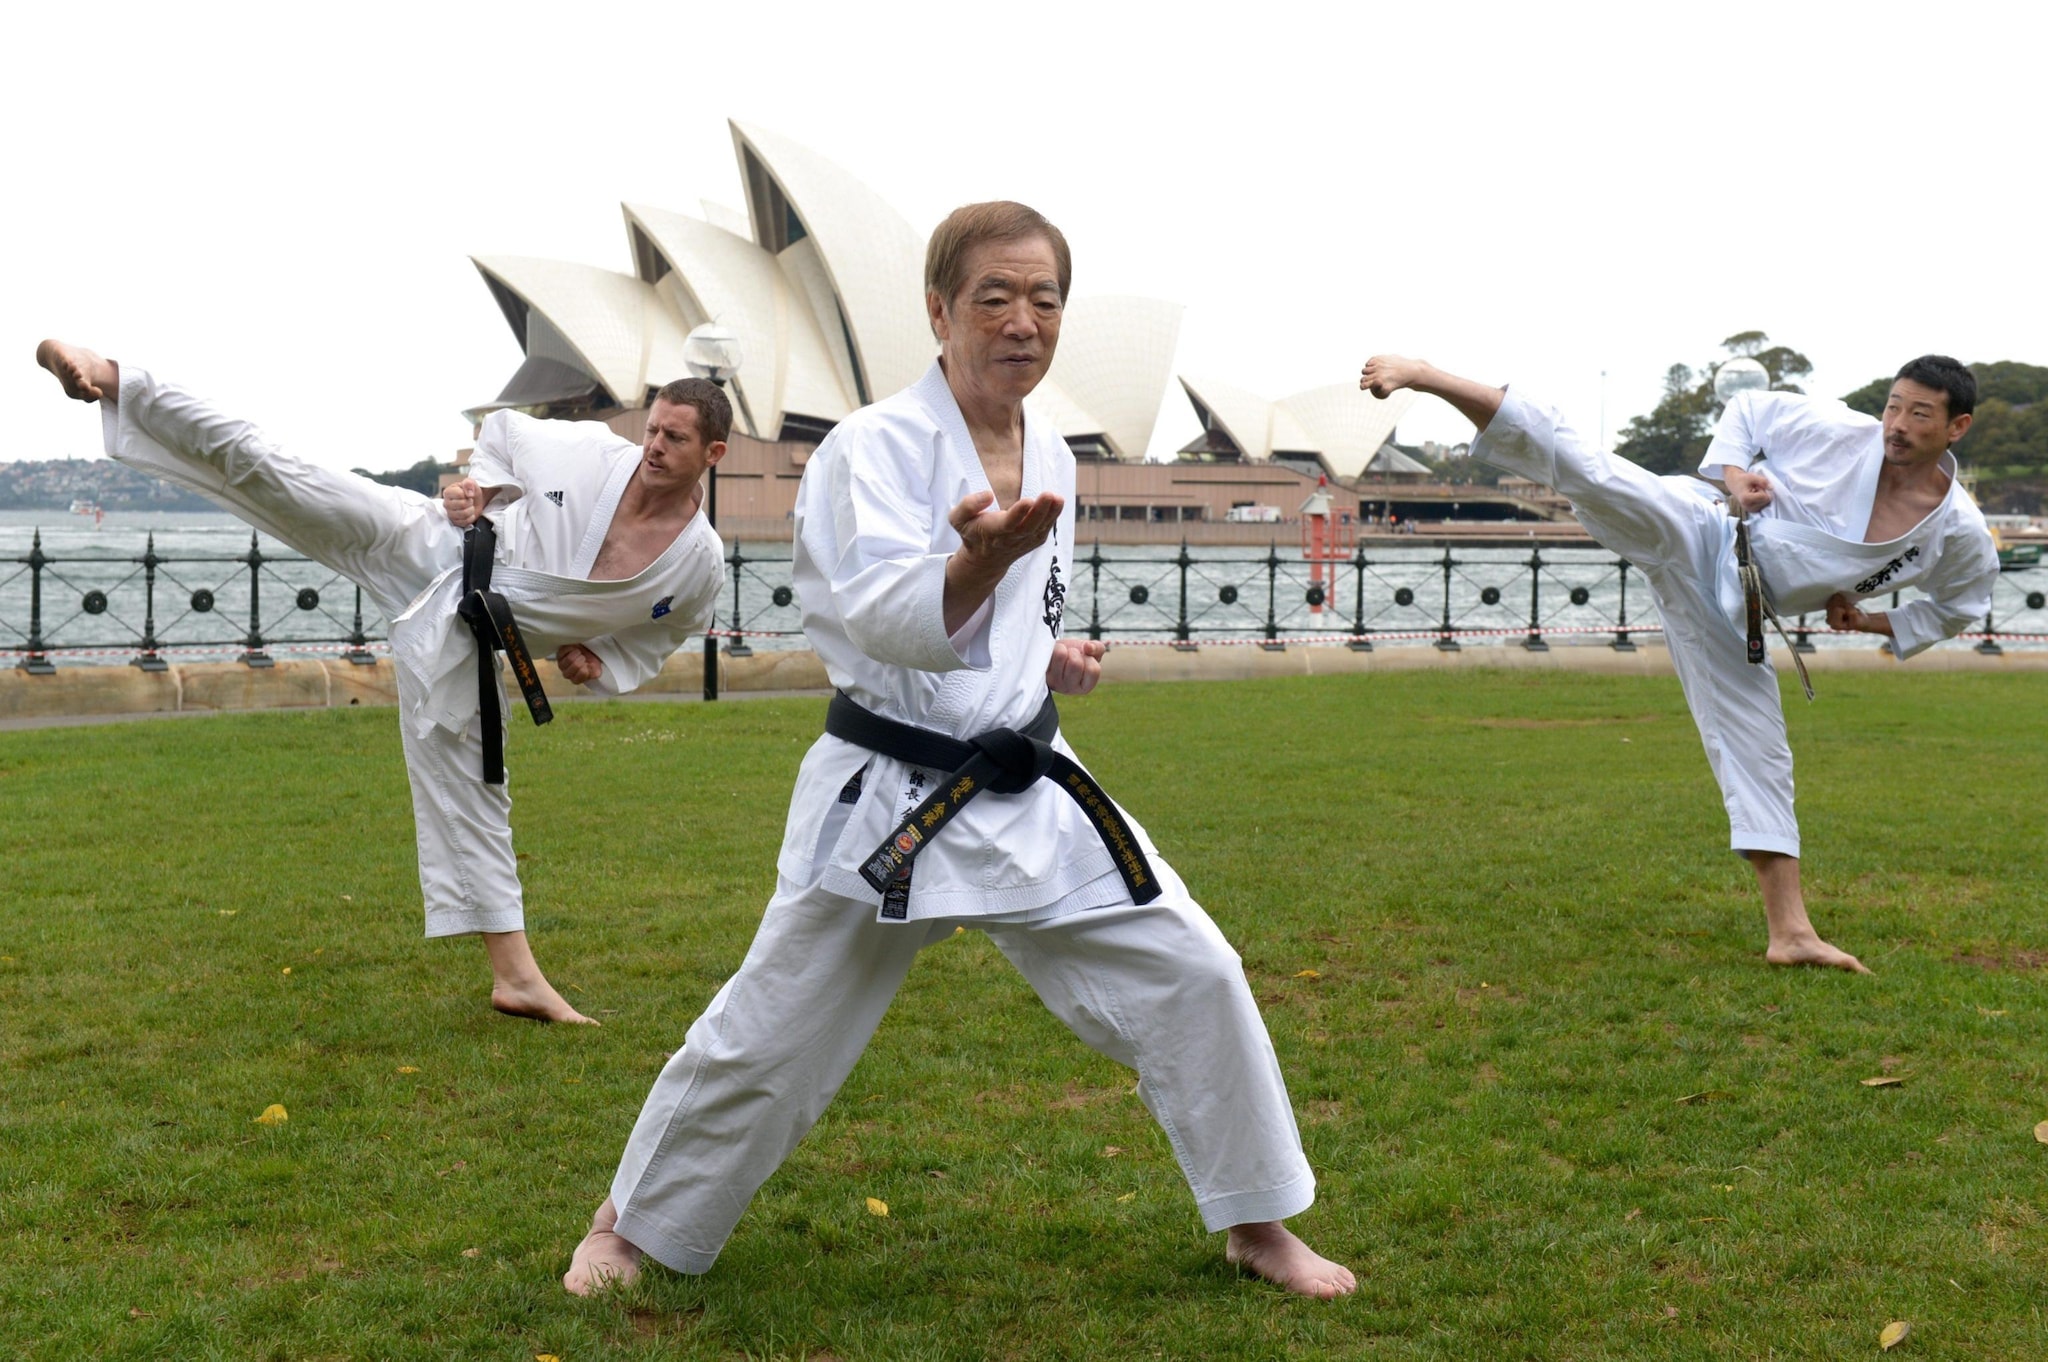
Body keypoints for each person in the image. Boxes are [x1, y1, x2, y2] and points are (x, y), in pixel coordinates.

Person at [564, 203, 1355, 1299]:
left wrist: (1049, 656)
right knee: (773, 1027)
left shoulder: (1053, 453)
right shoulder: (872, 447)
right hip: (891, 794)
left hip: (1026, 780)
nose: (1023, 320)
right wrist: (977, 567)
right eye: (995, 297)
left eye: (1044, 299)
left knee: (1195, 973)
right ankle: (628, 1226)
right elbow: (883, 617)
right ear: (938, 312)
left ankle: (1257, 1220)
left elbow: (1018, 613)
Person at [35, 340, 729, 1022]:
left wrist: (601, 659)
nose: (654, 447)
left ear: (713, 453)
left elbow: (664, 630)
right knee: (280, 469)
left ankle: (517, 980)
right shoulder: (594, 455)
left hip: (467, 639)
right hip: (429, 546)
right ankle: (116, 377)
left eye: (674, 438)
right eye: (652, 430)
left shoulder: (698, 563)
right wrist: (482, 491)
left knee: (479, 798)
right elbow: (503, 432)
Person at [1360, 354, 1999, 973]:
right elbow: (1748, 410)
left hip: (1737, 610)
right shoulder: (1841, 431)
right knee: (1592, 471)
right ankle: (1429, 376)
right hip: (1707, 528)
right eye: (1893, 406)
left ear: (1957, 427)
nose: (1897, 425)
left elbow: (1959, 605)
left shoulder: (1959, 532)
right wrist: (1734, 477)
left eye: (1919, 414)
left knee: (1761, 750)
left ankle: (1792, 935)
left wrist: (1866, 621)